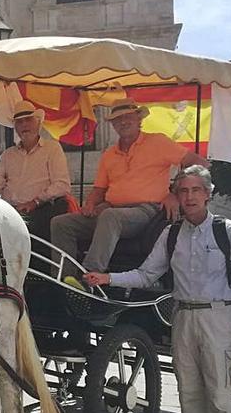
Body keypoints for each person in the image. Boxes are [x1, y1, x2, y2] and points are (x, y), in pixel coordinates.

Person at [84, 166, 231, 413]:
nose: (190, 197)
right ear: (177, 196)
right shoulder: (171, 234)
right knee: (190, 397)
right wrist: (109, 280)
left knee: (222, 399)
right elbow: (148, 274)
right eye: (183, 191)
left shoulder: (228, 231)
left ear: (208, 194)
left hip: (219, 317)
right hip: (182, 317)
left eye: (196, 190)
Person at [50, 98, 207, 279]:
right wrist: (90, 204)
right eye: (118, 119)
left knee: (110, 216)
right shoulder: (109, 154)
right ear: (113, 125)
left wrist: (175, 193)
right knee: (60, 223)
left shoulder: (158, 142)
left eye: (128, 117)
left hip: (146, 212)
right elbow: (99, 189)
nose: (123, 122)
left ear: (139, 120)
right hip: (112, 211)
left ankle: (89, 276)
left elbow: (198, 163)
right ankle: (64, 279)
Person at [0, 100, 71, 241]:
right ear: (15, 127)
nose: (24, 125)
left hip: (41, 210)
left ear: (38, 122)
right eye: (19, 122)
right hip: (9, 210)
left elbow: (62, 185)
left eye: (28, 120)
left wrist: (35, 202)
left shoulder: (52, 149)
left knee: (22, 230)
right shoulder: (7, 155)